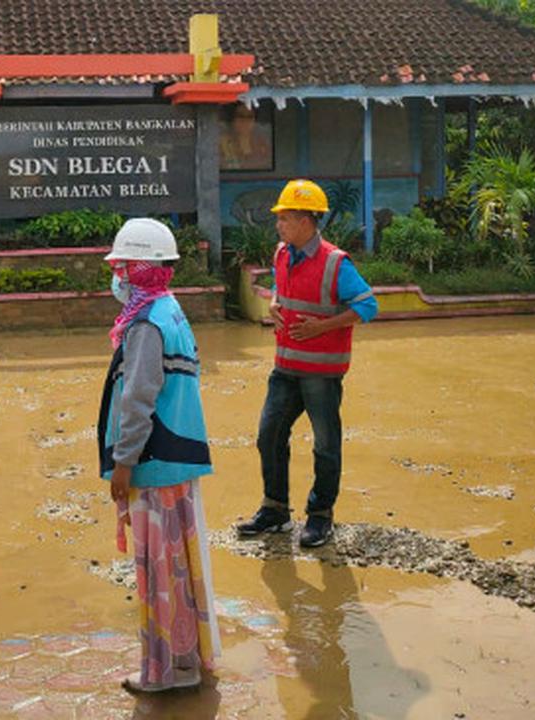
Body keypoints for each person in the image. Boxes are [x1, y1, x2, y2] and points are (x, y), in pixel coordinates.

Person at [98, 218, 221, 693]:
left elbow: (139, 398)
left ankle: (164, 672)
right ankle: (186, 661)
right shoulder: (169, 310)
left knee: (159, 572)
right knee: (180, 567)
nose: (117, 276)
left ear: (140, 270)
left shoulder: (146, 325)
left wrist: (124, 463)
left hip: (153, 464)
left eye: (122, 267)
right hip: (178, 460)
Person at [235, 180, 378, 548]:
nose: (279, 224)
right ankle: (276, 510)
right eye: (279, 218)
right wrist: (273, 304)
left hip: (322, 374)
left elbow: (368, 306)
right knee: (269, 436)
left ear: (306, 220)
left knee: (325, 445)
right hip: (285, 369)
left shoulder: (335, 261)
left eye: (285, 217)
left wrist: (322, 327)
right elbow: (283, 288)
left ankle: (320, 517)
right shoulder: (282, 253)